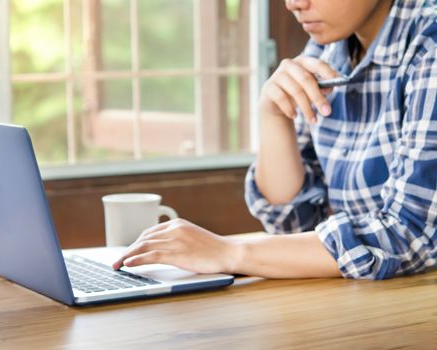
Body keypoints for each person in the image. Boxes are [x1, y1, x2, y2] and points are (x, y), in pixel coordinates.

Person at [113, 0, 437, 279]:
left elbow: (409, 235)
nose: (293, 3)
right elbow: (294, 222)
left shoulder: (430, 43)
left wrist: (230, 252)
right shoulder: (331, 45)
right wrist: (273, 115)